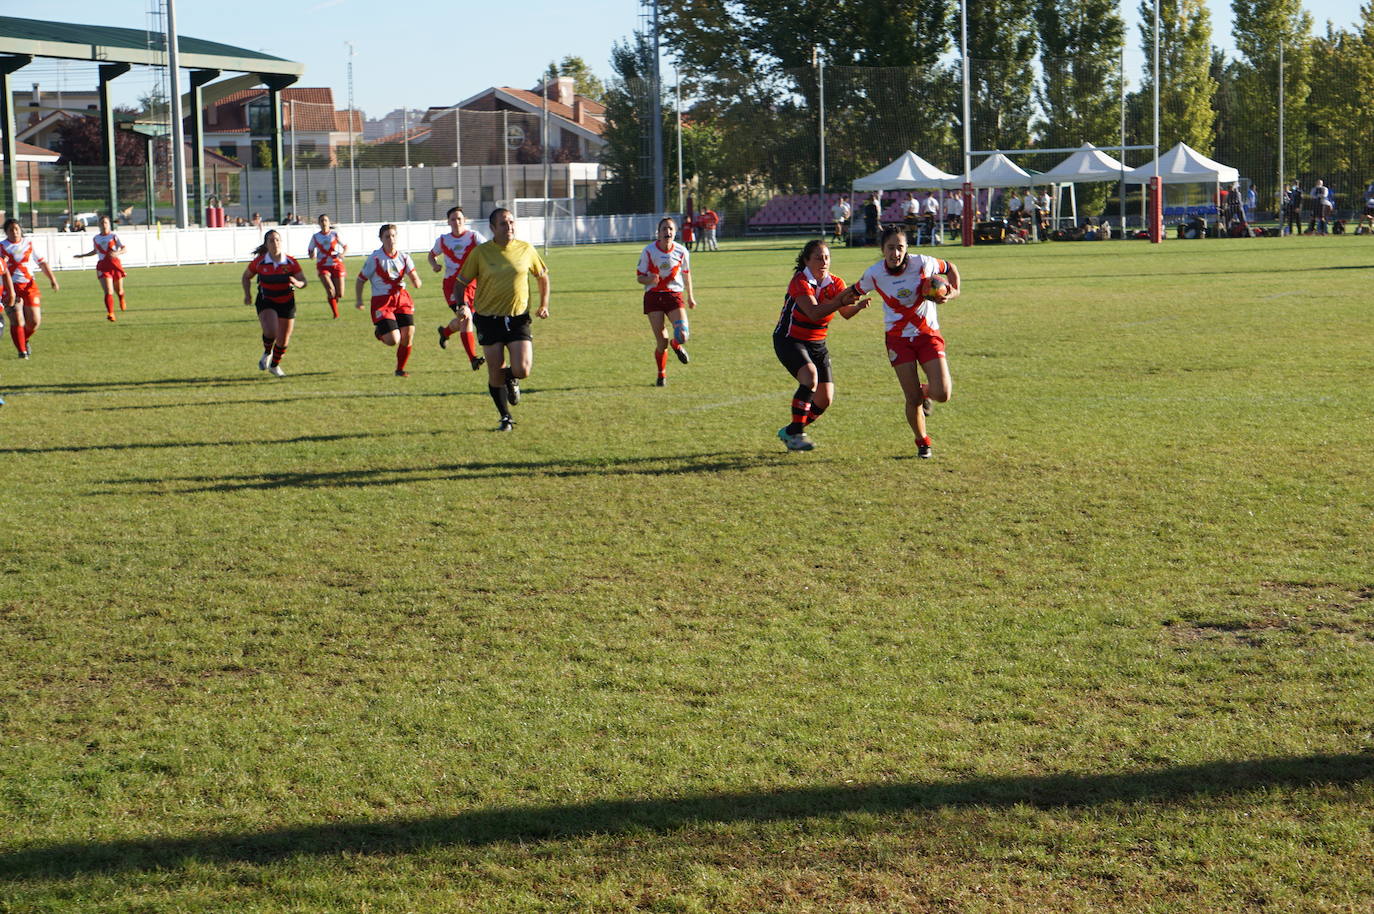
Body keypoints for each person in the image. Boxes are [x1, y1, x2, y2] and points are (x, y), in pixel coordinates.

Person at [854, 225, 961, 459]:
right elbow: (854, 291)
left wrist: (952, 293)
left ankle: (925, 392)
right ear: (882, 249)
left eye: (900, 247)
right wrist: (842, 306)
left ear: (906, 248)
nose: (895, 253)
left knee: (942, 394)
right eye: (890, 248)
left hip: (927, 335)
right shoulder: (874, 273)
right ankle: (923, 442)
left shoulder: (923, 263)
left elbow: (950, 268)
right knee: (912, 398)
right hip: (897, 340)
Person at [452, 208, 549, 431]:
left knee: (523, 369)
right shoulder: (481, 253)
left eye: (512, 222)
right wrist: (461, 306)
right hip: (488, 319)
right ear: (493, 228)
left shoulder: (526, 249)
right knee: (494, 371)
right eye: (504, 224)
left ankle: (509, 378)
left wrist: (544, 305)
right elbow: (460, 283)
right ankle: (505, 417)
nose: (509, 227)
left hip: (517, 318)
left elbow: (542, 276)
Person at [774, 239, 869, 451]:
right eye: (818, 257)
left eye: (827, 257)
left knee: (825, 399)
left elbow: (845, 313)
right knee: (810, 378)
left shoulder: (835, 283)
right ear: (807, 261)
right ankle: (797, 435)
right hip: (790, 339)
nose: (824, 261)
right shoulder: (799, 281)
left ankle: (791, 431)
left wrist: (857, 307)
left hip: (817, 342)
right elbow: (815, 313)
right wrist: (840, 301)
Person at [636, 217, 697, 386]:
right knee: (661, 342)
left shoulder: (682, 251)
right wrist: (649, 279)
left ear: (675, 232)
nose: (667, 232)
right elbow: (639, 278)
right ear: (658, 233)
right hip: (653, 298)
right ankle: (661, 375)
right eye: (664, 229)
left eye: (670, 229)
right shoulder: (648, 251)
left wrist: (690, 296)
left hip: (674, 296)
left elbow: (686, 274)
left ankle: (676, 345)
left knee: (683, 335)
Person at [356, 224, 423, 377]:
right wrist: (359, 300)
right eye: (387, 236)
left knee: (408, 333)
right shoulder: (375, 258)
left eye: (393, 236)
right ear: (381, 239)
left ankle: (400, 369)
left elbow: (415, 279)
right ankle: (380, 332)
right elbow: (360, 280)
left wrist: (416, 282)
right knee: (393, 340)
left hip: (402, 299)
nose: (391, 239)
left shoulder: (404, 257)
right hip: (383, 301)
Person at [429, 206, 487, 371]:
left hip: (473, 283)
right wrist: (434, 265)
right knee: (466, 317)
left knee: (464, 319)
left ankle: (445, 332)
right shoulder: (443, 240)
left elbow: (488, 250)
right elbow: (431, 254)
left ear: (465, 220)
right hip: (453, 285)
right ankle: (473, 359)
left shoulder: (474, 236)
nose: (456, 222)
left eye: (459, 219)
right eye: (453, 219)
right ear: (448, 222)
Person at [242, 229, 306, 377]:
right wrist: (247, 295)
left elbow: (303, 281)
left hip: (287, 301)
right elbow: (246, 277)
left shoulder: (290, 261)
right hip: (267, 300)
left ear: (281, 242)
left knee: (283, 340)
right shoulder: (260, 262)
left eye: (277, 240)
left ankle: (274, 365)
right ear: (266, 244)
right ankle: (266, 352)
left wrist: (297, 282)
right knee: (271, 331)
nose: (275, 243)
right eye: (271, 240)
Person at [1, 218, 59, 359]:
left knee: (34, 322)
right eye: (10, 230)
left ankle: (23, 339)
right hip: (10, 287)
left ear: (20, 230)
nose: (14, 232)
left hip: (29, 286)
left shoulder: (29, 244)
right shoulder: (1, 247)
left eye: (16, 229)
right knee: (18, 319)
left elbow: (42, 263)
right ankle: (22, 352)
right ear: (6, 232)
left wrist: (53, 280)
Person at [72, 215, 128, 320]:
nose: (104, 225)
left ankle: (121, 298)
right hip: (103, 266)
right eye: (102, 223)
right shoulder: (96, 238)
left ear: (109, 224)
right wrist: (82, 255)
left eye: (106, 223)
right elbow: (95, 251)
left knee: (119, 291)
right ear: (99, 225)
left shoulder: (114, 236)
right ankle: (110, 313)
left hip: (115, 265)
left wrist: (117, 253)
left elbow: (124, 249)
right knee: (108, 291)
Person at [306, 214, 347, 318]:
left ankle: (333, 301)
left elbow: (345, 246)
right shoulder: (315, 237)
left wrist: (343, 254)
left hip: (336, 264)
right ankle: (335, 314)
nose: (324, 222)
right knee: (330, 289)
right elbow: (310, 249)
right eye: (321, 221)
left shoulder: (335, 234)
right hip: (323, 266)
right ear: (319, 223)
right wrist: (311, 254)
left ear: (329, 223)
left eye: (325, 220)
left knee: (340, 293)